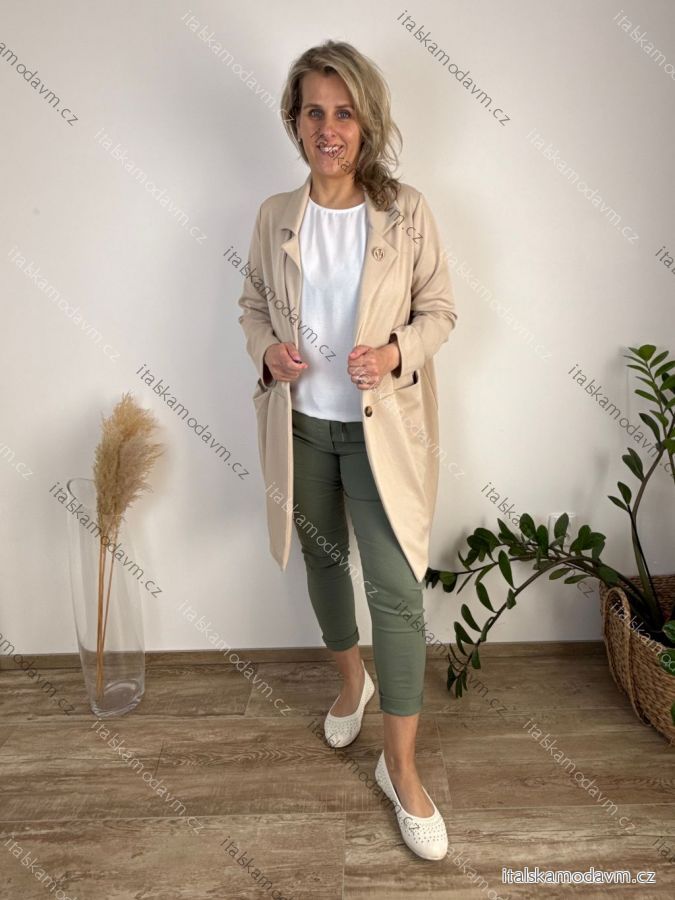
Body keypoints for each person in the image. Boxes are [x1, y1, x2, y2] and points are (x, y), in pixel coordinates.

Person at [237, 39, 457, 861]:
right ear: (294, 123)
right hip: (301, 428)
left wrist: (394, 352)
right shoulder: (274, 215)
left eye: (343, 112)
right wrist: (267, 352)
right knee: (324, 566)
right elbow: (250, 304)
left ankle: (399, 768)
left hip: (381, 433)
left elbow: (439, 310)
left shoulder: (406, 212)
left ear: (365, 123)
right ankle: (350, 681)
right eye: (313, 112)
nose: (327, 128)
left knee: (395, 592)